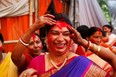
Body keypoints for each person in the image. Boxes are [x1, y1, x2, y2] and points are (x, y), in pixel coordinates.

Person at [16, 13, 116, 77]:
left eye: (66, 34)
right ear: (46, 36)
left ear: (72, 38)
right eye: (55, 33)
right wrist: (32, 28)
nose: (60, 39)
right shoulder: (36, 63)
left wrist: (83, 42)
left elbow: (113, 59)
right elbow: (15, 58)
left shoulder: (81, 63)